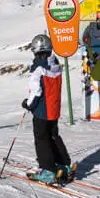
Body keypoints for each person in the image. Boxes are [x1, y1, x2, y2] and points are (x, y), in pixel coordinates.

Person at [21, 33, 76, 184]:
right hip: (54, 109)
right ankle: (63, 164)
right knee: (53, 136)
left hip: (42, 111)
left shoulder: (39, 69)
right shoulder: (55, 65)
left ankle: (48, 171)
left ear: (37, 51)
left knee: (41, 139)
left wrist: (29, 104)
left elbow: (36, 91)